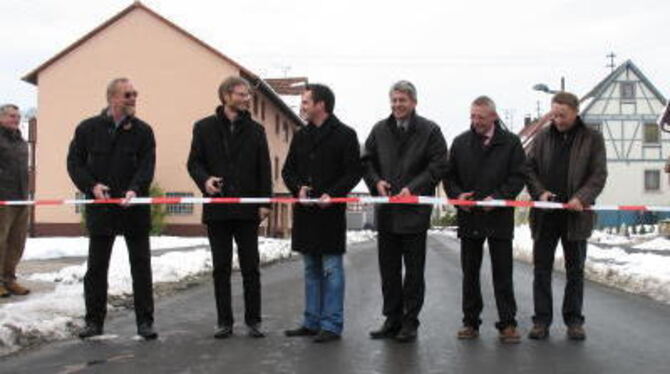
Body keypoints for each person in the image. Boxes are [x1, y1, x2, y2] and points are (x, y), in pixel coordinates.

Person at [67, 78, 157, 340]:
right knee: (96, 267)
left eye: (135, 94)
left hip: (134, 208)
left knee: (141, 266)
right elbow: (74, 163)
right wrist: (92, 186)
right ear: (112, 98)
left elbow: (147, 165)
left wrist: (135, 189)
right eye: (128, 94)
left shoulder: (143, 131)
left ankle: (145, 322)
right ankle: (94, 322)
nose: (133, 98)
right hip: (101, 208)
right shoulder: (87, 129)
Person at [362, 80, 448, 342]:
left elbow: (439, 165)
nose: (398, 105)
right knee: (388, 270)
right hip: (387, 213)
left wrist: (414, 188)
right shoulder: (379, 130)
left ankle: (410, 321)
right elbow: (366, 161)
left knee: (413, 272)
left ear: (414, 102)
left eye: (403, 100)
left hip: (414, 214)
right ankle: (392, 318)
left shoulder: (430, 131)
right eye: (394, 100)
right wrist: (376, 182)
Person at [187, 76, 272, 339]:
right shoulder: (203, 128)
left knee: (251, 267)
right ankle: (225, 322)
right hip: (218, 210)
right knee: (221, 267)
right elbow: (194, 163)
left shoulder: (257, 131)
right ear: (226, 96)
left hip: (247, 211)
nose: (248, 98)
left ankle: (254, 321)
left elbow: (264, 169)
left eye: (248, 94)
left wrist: (264, 202)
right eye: (242, 94)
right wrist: (205, 180)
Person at [282, 83, 361, 343]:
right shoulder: (300, 135)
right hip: (306, 214)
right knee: (310, 269)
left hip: (330, 214)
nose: (301, 107)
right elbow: (287, 171)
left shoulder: (345, 135)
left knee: (331, 269)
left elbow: (353, 171)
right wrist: (298, 189)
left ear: (321, 105)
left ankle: (331, 324)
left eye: (305, 102)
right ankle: (311, 321)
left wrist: (333, 193)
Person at [526, 92, 607, 341]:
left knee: (575, 270)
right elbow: (528, 169)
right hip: (545, 214)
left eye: (562, 115)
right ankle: (541, 321)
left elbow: (598, 174)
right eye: (554, 114)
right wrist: (540, 193)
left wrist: (581, 198)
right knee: (541, 270)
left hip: (576, 215)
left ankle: (574, 321)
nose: (558, 119)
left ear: (575, 112)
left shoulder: (592, 138)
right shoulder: (542, 137)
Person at [445, 96, 526, 343]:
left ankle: (508, 324)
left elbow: (519, 175)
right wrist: (458, 196)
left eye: (480, 117)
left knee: (503, 273)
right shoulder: (460, 143)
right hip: (470, 218)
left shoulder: (511, 143)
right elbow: (448, 178)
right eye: (472, 116)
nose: (475, 121)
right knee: (470, 273)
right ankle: (470, 323)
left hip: (499, 217)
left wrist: (499, 197)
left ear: (493, 117)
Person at [0, 104, 30, 298]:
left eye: (18, 117)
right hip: (2, 198)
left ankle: (9, 279)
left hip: (21, 198)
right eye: (11, 116)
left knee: (17, 241)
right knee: (0, 241)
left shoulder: (20, 141)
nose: (16, 119)